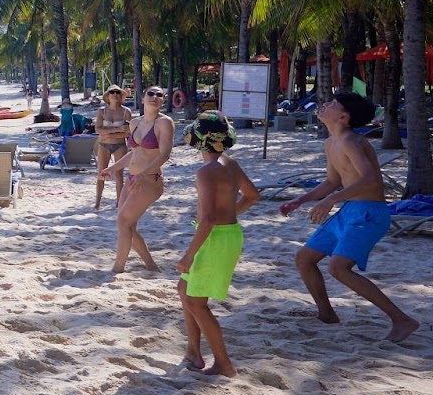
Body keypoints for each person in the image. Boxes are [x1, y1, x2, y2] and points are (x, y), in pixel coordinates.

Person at [280, 91, 419, 342]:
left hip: (369, 213)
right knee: (304, 258)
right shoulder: (330, 142)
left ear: (344, 116)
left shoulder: (352, 142)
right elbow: (333, 181)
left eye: (333, 103)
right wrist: (300, 200)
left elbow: (370, 180)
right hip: (350, 211)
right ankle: (327, 314)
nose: (326, 104)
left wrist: (330, 200)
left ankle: (402, 320)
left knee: (338, 268)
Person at [175, 112, 259, 377]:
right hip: (226, 233)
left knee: (196, 302)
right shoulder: (230, 163)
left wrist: (189, 255)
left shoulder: (206, 172)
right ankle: (193, 352)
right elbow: (252, 195)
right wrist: (230, 214)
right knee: (184, 288)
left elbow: (209, 218)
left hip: (214, 237)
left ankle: (224, 364)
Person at [98, 86, 175, 274]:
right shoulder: (134, 123)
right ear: (142, 98)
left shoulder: (164, 123)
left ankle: (117, 269)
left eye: (159, 95)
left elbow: (164, 155)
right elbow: (134, 153)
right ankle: (151, 266)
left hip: (149, 180)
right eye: (151, 93)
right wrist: (112, 168)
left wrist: (142, 174)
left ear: (163, 101)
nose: (154, 97)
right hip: (132, 178)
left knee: (123, 222)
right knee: (127, 225)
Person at [94, 85, 133, 209]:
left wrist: (108, 131)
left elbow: (127, 132)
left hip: (120, 145)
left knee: (119, 175)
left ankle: (119, 202)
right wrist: (117, 130)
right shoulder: (102, 111)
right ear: (107, 96)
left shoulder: (126, 111)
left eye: (117, 92)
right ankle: (97, 203)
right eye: (112, 92)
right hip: (103, 145)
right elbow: (98, 130)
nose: (115, 94)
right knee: (101, 174)